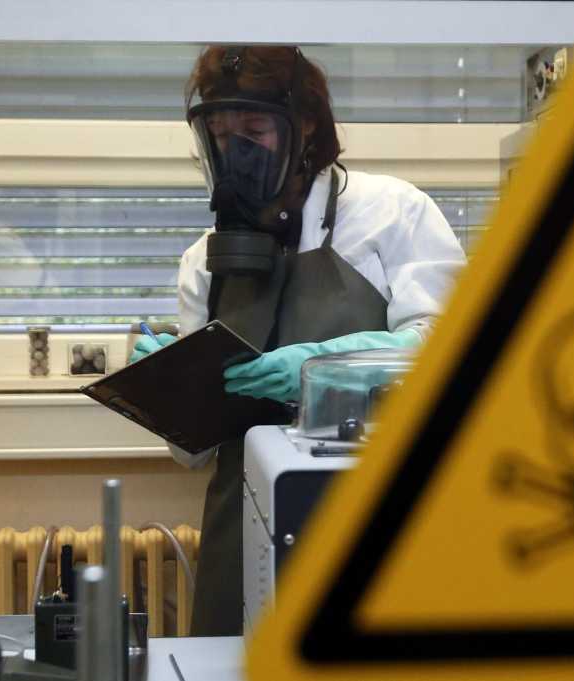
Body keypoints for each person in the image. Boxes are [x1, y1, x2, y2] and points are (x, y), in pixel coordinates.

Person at [130, 46, 467, 635]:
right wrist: (170, 390)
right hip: (241, 534)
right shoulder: (202, 262)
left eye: (254, 129)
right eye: (220, 131)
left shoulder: (392, 214)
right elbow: (191, 456)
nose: (236, 150)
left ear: (304, 125)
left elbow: (452, 351)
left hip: (378, 520)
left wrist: (326, 367)